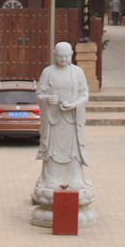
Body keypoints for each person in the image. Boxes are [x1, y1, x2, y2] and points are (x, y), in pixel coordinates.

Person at [34, 41, 90, 191]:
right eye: (60, 56)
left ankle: (75, 177)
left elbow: (84, 94)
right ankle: (51, 177)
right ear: (54, 55)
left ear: (71, 55)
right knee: (53, 150)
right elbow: (39, 94)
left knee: (73, 151)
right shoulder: (48, 72)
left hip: (71, 118)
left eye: (66, 56)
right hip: (54, 119)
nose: (63, 60)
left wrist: (75, 104)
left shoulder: (78, 72)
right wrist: (46, 99)